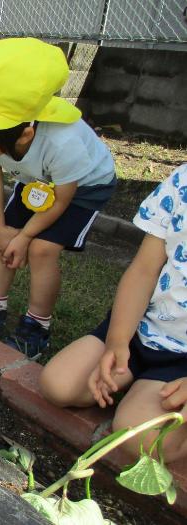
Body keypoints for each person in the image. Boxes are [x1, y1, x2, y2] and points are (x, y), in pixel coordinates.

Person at [0, 38, 116, 358]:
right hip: (39, 182)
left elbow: (61, 200)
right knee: (4, 241)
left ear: (24, 134)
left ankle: (36, 327)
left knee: (41, 249)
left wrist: (26, 236)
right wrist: (0, 228)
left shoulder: (63, 142)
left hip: (83, 188)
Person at [40, 165, 187, 463]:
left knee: (141, 437)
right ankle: (137, 382)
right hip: (142, 328)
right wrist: (117, 342)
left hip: (182, 361)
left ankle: (143, 396)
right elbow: (144, 269)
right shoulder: (183, 180)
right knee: (58, 385)